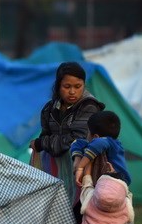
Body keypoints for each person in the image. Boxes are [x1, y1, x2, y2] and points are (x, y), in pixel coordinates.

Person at [29, 61, 105, 204]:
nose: (72, 92)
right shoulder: (49, 109)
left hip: (82, 168)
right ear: (58, 86)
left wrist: (41, 143)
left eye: (77, 86)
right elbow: (45, 134)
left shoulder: (89, 106)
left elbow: (77, 139)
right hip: (57, 172)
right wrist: (42, 143)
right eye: (67, 86)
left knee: (80, 210)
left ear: (84, 85)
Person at [71, 110, 132, 187]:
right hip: (102, 182)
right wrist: (77, 159)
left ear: (96, 137)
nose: (87, 135)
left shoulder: (110, 142)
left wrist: (80, 167)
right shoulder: (104, 142)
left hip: (119, 182)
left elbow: (99, 143)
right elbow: (77, 142)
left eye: (88, 132)